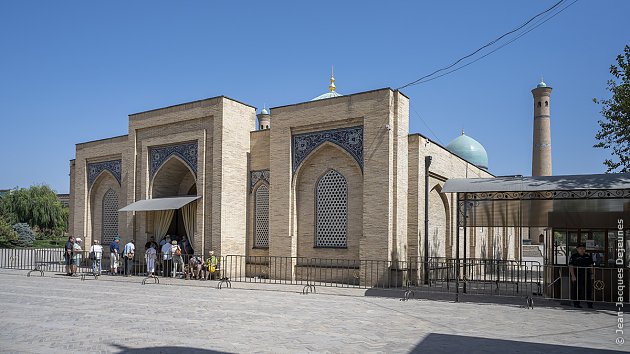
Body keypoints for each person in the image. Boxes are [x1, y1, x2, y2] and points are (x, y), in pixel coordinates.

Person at [569, 243, 594, 308]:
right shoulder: (574, 256)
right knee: (577, 289)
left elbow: (591, 266)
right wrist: (573, 275)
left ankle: (590, 304)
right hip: (578, 275)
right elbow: (571, 266)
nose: (582, 250)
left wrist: (592, 274)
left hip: (587, 275)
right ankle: (576, 303)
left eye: (583, 248)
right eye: (580, 248)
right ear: (577, 249)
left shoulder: (588, 256)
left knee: (589, 289)